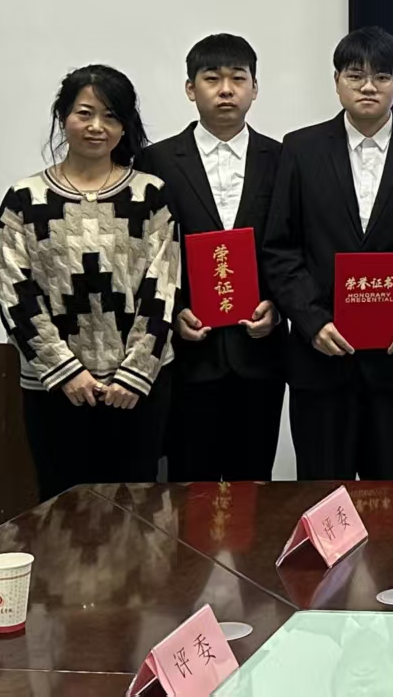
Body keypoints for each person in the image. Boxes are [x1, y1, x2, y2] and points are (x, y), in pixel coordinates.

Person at [262, 26, 393, 481]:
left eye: (382, 76)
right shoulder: (301, 148)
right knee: (322, 489)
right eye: (355, 75)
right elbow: (280, 247)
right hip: (321, 354)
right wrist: (312, 322)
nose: (368, 86)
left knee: (390, 493)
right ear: (336, 81)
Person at [0, 65, 177, 500]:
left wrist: (134, 373)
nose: (97, 127)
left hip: (137, 390)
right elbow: (14, 292)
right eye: (85, 113)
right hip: (56, 388)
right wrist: (66, 371)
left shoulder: (149, 195)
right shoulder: (25, 199)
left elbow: (163, 287)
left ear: (125, 126)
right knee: (63, 509)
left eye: (111, 116)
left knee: (138, 509)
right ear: (63, 117)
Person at [135, 34, 285, 483]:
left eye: (238, 79)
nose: (226, 90)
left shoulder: (282, 158)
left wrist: (278, 307)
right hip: (187, 351)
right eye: (212, 79)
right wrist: (174, 309)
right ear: (190, 88)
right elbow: (145, 251)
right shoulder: (155, 161)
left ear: (255, 89)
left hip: (259, 350)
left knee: (254, 481)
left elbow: (292, 242)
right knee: (189, 483)